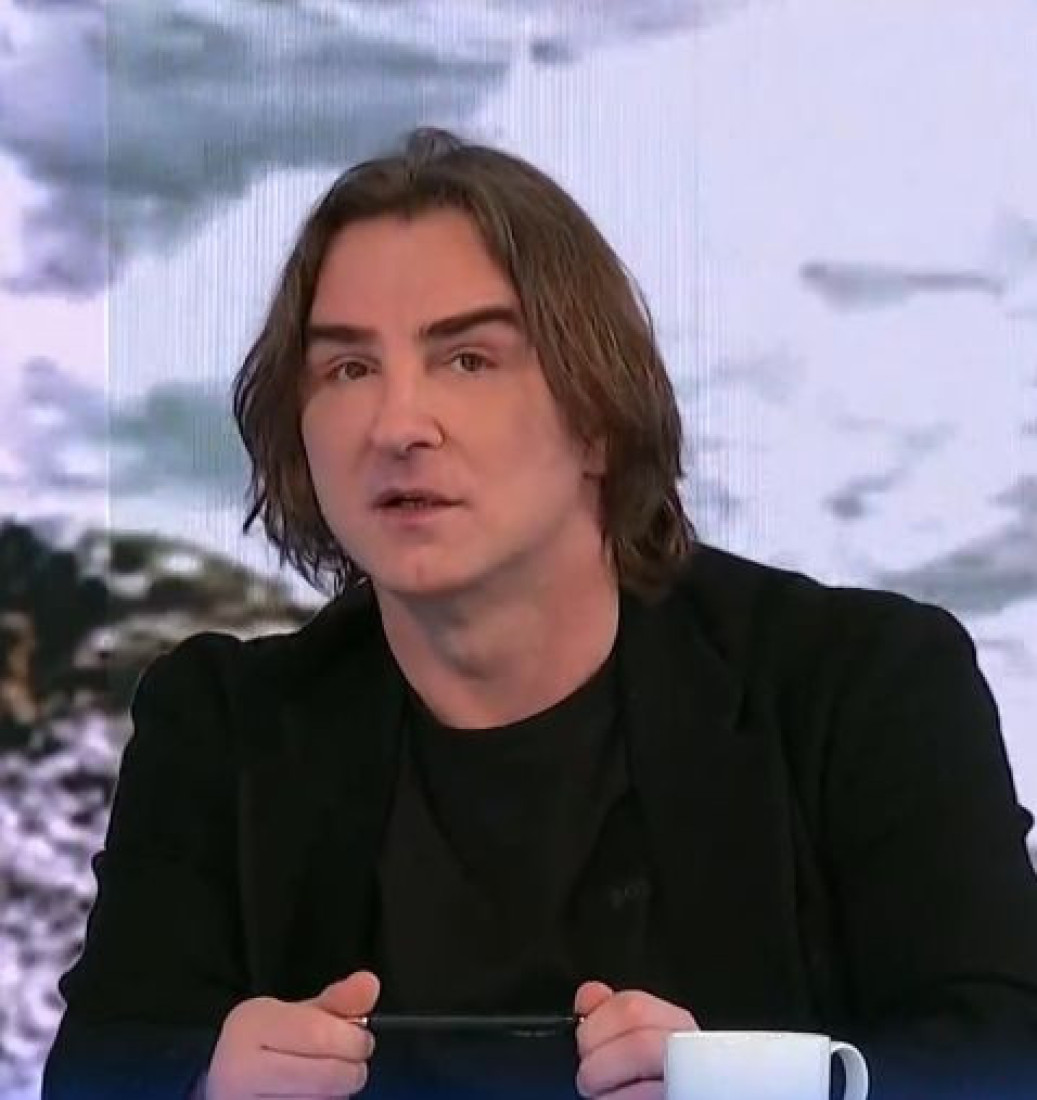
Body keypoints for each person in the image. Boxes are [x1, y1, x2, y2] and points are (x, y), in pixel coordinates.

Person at [43, 128, 1037, 1100]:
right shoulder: (221, 726)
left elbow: (1001, 1049)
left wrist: (750, 1088)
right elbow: (102, 1068)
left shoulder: (861, 684)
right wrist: (205, 1086)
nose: (397, 425)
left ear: (596, 415)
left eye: (467, 359)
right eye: (347, 368)